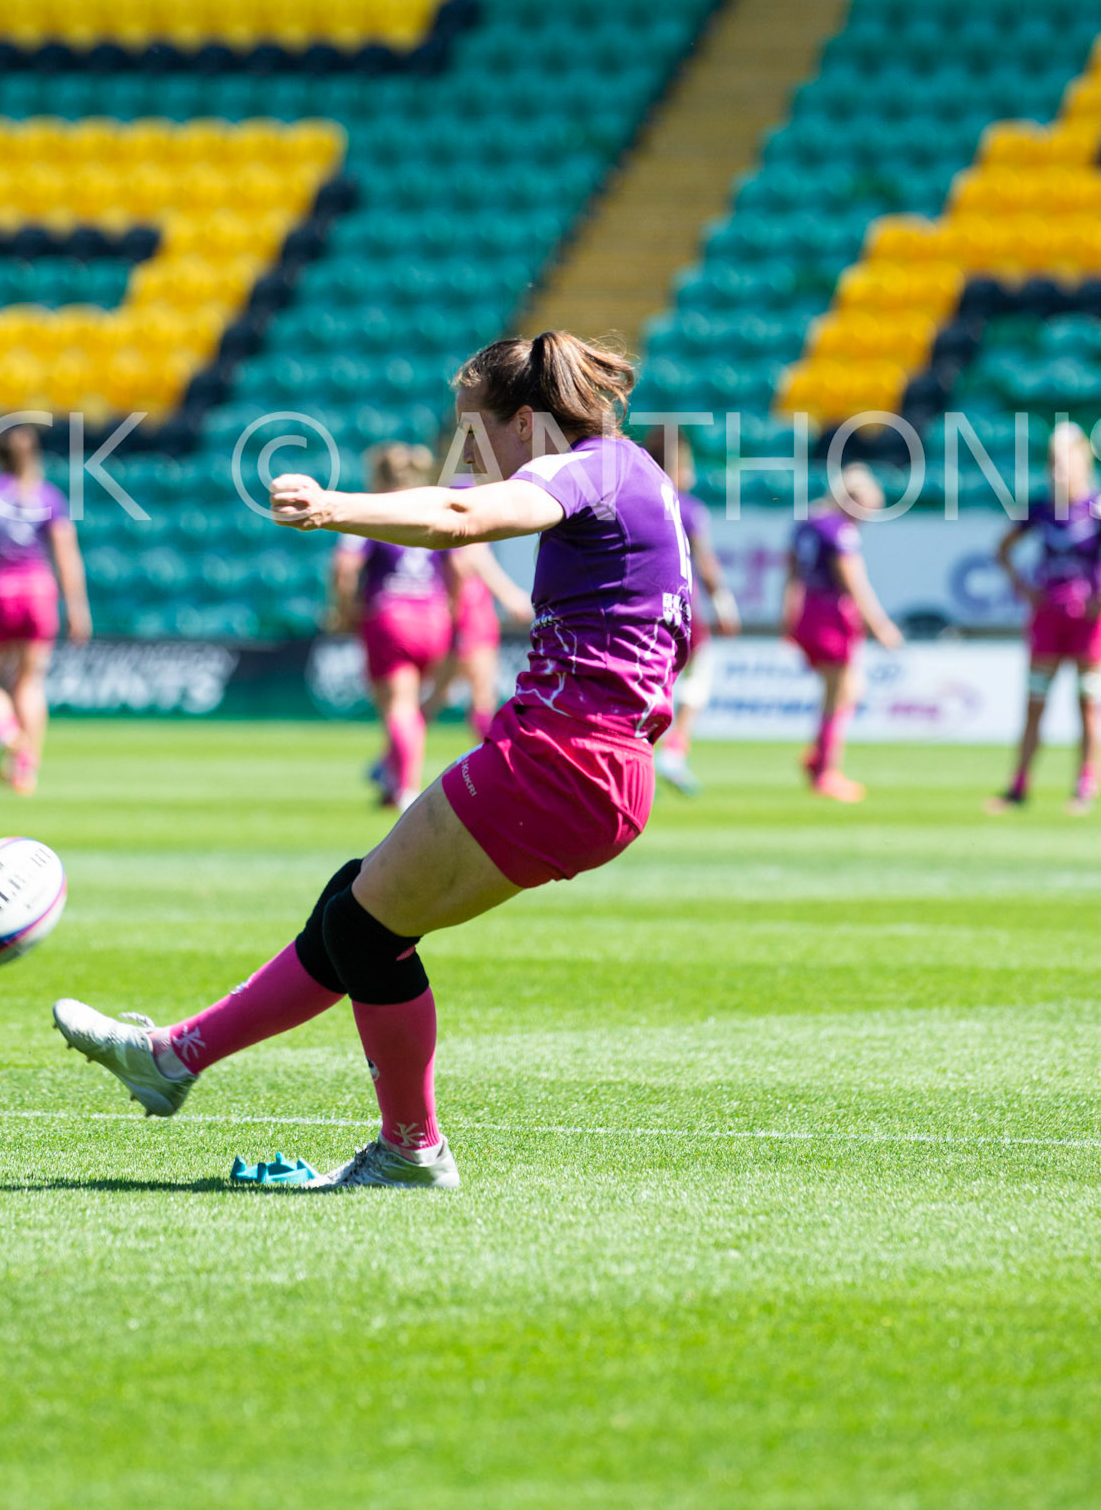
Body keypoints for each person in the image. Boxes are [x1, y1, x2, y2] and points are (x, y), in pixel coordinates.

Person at [52, 331, 692, 1191]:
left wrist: (331, 506)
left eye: (478, 435)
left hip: (562, 757)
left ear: (528, 422)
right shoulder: (634, 478)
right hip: (599, 768)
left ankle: (408, 1148)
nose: (473, 458)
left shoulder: (588, 467)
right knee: (358, 911)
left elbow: (463, 519)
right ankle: (175, 1057)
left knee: (364, 928)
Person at [0, 425, 90, 794]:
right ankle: (26, 768)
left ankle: (8, 735)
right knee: (30, 681)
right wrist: (77, 606)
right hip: (38, 591)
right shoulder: (49, 496)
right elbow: (66, 555)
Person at [331, 444, 458, 814]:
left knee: (398, 707)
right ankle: (390, 775)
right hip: (433, 617)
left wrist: (345, 610)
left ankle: (406, 790)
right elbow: (460, 566)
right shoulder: (429, 508)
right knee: (413, 704)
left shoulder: (368, 513)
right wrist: (452, 608)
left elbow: (344, 568)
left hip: (390, 618)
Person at [987, 422, 1101, 816]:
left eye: (1064, 460)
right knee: (1035, 702)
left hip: (1088, 623)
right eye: (1052, 461)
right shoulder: (1041, 507)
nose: (1057, 469)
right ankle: (1019, 785)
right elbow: (1002, 548)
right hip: (1048, 619)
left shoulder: (1097, 506)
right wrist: (1025, 589)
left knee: (1088, 702)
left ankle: (1085, 785)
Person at [782, 465, 902, 804]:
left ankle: (820, 754)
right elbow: (853, 582)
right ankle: (825, 770)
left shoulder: (807, 523)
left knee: (845, 689)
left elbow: (792, 574)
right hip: (832, 614)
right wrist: (880, 626)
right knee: (841, 692)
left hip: (808, 611)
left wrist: (788, 615)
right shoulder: (840, 531)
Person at [642, 427, 740, 797]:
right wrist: (724, 603)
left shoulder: (636, 499)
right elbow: (707, 564)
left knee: (654, 679)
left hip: (642, 608)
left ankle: (639, 750)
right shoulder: (688, 507)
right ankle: (675, 748)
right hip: (682, 608)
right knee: (698, 678)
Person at [424, 536, 533, 746]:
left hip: (464, 614)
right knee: (480, 696)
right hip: (470, 615)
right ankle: (491, 758)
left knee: (440, 694)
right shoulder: (474, 518)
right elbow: (468, 559)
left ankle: (394, 757)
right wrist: (509, 596)